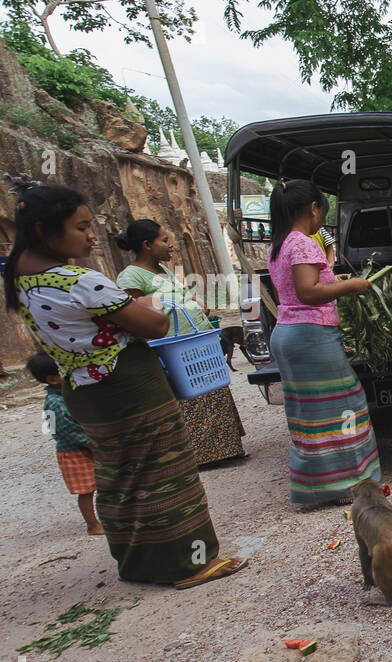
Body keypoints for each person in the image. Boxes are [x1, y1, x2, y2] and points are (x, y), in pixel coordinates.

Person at [3, 179, 245, 587]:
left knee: (122, 477)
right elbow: (154, 324)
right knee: (166, 471)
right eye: (81, 227)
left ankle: (138, 563)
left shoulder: (22, 283)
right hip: (129, 386)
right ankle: (189, 563)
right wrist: (147, 306)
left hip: (84, 390)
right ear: (46, 231)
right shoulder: (79, 281)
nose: (91, 235)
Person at [266, 179, 379, 506]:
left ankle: (316, 485)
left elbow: (299, 287)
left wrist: (335, 279)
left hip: (288, 333)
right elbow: (308, 292)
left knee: (309, 411)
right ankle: (347, 486)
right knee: (344, 403)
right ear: (313, 209)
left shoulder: (279, 243)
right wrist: (352, 285)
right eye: (321, 212)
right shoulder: (302, 243)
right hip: (310, 335)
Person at [114, 218, 247, 465]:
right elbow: (133, 314)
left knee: (211, 388)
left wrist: (194, 303)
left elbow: (175, 299)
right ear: (146, 244)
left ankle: (225, 448)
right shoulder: (131, 276)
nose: (171, 245)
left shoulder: (164, 270)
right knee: (190, 394)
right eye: (164, 240)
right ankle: (205, 455)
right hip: (172, 347)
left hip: (195, 339)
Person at [28, 351, 103, 535]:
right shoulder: (55, 403)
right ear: (53, 379)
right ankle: (92, 524)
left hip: (88, 446)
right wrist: (96, 443)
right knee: (86, 490)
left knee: (104, 484)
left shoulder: (68, 393)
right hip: (75, 452)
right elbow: (70, 431)